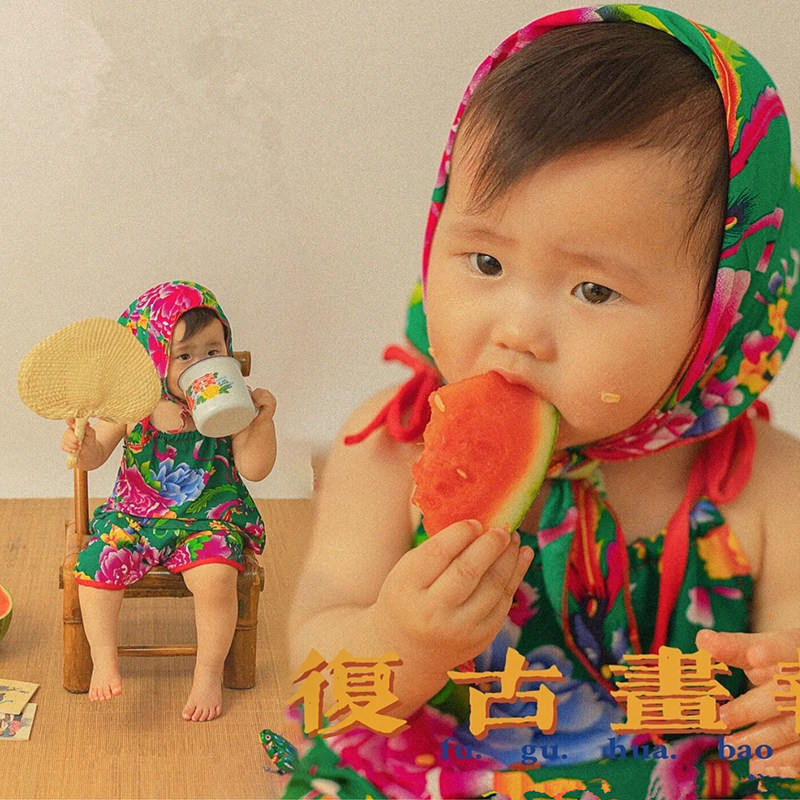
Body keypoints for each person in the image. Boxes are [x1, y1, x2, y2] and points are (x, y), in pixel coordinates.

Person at [284, 5, 800, 799]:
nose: (518, 330)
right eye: (485, 261)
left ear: (721, 315)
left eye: (594, 289)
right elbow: (318, 687)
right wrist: (401, 639)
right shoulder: (389, 447)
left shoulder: (765, 483)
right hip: (448, 770)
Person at [61, 280, 277, 722]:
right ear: (154, 358)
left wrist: (261, 423)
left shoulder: (231, 405)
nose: (202, 365)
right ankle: (104, 658)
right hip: (135, 517)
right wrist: (83, 446)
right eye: (184, 356)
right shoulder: (133, 404)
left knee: (216, 578)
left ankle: (208, 672)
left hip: (208, 520)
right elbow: (96, 455)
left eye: (214, 351)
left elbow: (255, 469)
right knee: (96, 566)